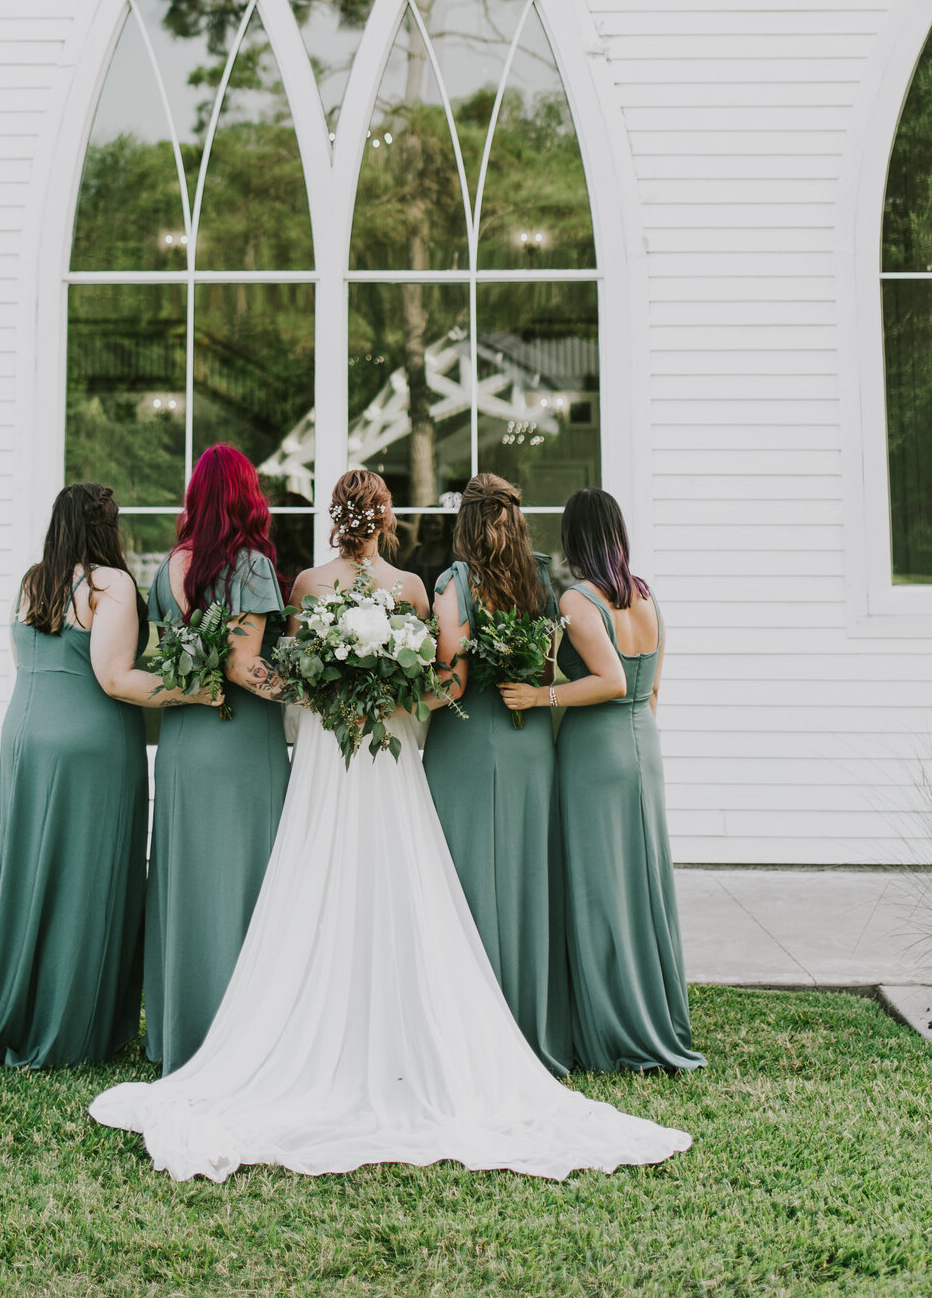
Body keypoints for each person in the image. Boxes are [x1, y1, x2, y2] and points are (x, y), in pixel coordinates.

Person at [89, 469, 692, 1181]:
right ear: (383, 521)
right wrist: (392, 697)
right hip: (388, 742)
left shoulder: (307, 585)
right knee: (402, 879)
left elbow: (291, 671)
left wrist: (324, 691)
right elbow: (441, 677)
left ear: (338, 521)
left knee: (317, 875)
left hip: (327, 745)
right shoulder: (411, 586)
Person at [0, 483, 193, 1072]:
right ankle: (75, 1028)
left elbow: (27, 661)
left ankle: (22, 1011)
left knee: (31, 877)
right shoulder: (113, 584)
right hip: (91, 745)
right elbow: (114, 677)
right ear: (108, 528)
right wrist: (196, 692)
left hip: (24, 738)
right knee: (87, 880)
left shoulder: (33, 581)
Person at [500, 487, 704, 1074]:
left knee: (596, 888)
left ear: (574, 537)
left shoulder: (577, 600)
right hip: (643, 745)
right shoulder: (648, 598)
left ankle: (610, 1023)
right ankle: (653, 1010)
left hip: (595, 750)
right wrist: (638, 746)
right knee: (638, 885)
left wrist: (541, 695)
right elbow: (651, 688)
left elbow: (611, 680)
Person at [143, 443, 291, 1074]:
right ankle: (244, 1034)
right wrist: (310, 687)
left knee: (187, 882)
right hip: (239, 743)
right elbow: (243, 664)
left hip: (183, 740)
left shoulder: (165, 567)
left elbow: (167, 652)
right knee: (249, 882)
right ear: (246, 497)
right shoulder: (252, 564)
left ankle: (180, 1030)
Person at [422, 474, 572, 1074]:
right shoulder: (541, 580)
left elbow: (451, 681)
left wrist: (389, 694)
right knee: (522, 875)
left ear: (464, 522)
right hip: (530, 743)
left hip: (469, 744)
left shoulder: (456, 583)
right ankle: (527, 1020)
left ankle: (472, 1031)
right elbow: (551, 669)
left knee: (466, 879)